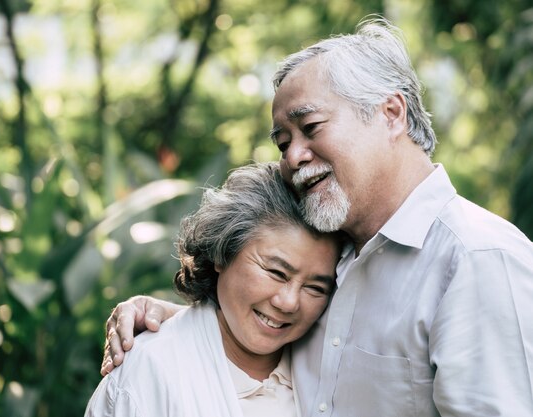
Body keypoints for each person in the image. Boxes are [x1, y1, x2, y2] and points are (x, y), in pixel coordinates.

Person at [102, 18, 533, 416]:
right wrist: (179, 327)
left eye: (310, 127)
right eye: (282, 142)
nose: (293, 156)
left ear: (391, 114)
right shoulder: (334, 254)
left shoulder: (477, 259)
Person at [86, 162, 343, 417]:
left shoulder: (331, 372)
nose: (288, 303)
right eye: (276, 273)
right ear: (222, 253)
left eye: (315, 288)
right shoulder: (151, 370)